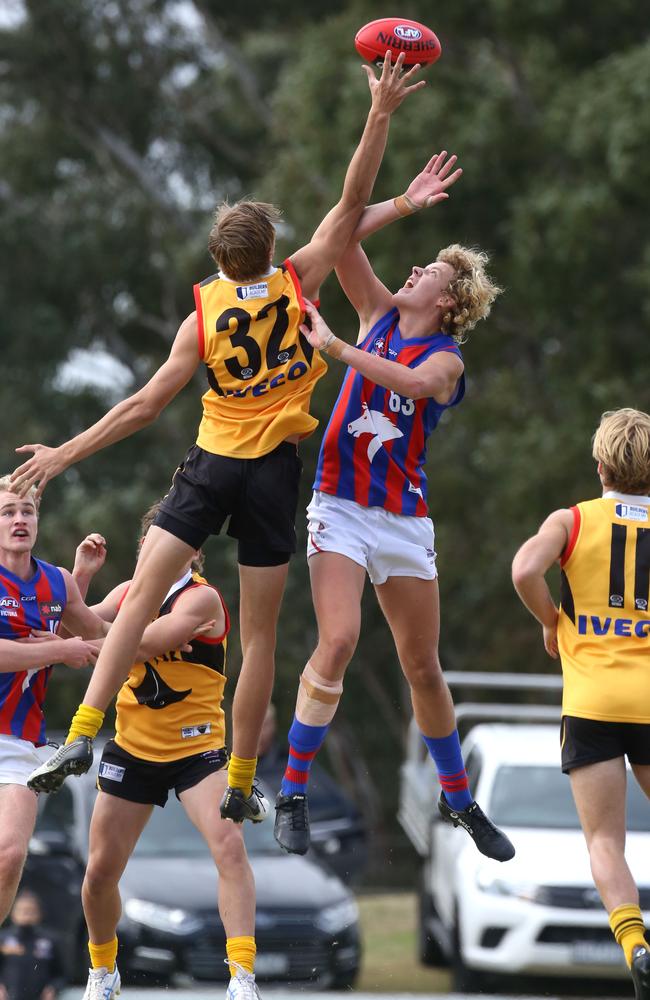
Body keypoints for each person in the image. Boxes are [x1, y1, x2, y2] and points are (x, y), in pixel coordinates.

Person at [13, 53, 426, 823]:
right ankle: (240, 778)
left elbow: (140, 407)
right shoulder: (298, 278)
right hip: (272, 473)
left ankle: (80, 733)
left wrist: (62, 456)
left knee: (135, 603)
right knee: (260, 632)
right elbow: (353, 198)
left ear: (218, 260)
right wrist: (381, 110)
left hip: (208, 467)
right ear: (269, 247)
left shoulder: (201, 316)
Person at [272, 155, 515, 863]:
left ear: (448, 302)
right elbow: (339, 236)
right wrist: (405, 202)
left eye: (430, 273)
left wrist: (339, 349)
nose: (414, 272)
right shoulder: (377, 311)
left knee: (422, 667)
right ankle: (292, 788)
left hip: (403, 521)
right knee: (339, 640)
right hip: (341, 509)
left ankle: (459, 798)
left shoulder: (445, 360)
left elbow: (409, 383)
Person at [71, 501, 262, 1000]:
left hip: (197, 750)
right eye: (153, 537)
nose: (161, 545)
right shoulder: (128, 593)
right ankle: (103, 969)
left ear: (192, 550)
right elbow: (71, 630)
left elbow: (134, 644)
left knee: (230, 848)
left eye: (175, 537)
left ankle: (242, 977)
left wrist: (93, 633)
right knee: (99, 875)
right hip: (133, 749)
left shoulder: (201, 600)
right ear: (144, 547)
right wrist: (81, 576)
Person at [511, 407, 650, 1000]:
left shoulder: (571, 520)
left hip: (591, 701)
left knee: (603, 843)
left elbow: (524, 570)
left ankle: (636, 946)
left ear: (600, 466)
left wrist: (554, 622)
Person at [0, 476, 107, 925]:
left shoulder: (56, 582)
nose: (19, 519)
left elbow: (97, 637)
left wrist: (166, 627)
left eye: (27, 510)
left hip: (20, 742)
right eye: (7, 512)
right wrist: (59, 650)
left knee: (9, 855)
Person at [0, 890, 66, 1000]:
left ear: (39, 914)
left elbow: (62, 975)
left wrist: (53, 988)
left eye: (30, 911)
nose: (26, 914)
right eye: (22, 910)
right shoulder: (3, 939)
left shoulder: (50, 941)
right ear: (12, 913)